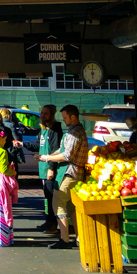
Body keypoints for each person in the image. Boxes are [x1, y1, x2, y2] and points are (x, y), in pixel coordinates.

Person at [39, 104, 88, 250]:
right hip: (73, 173)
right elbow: (61, 150)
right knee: (71, 207)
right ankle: (79, 238)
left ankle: (64, 239)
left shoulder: (75, 132)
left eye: (65, 118)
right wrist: (47, 156)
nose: (64, 120)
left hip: (70, 172)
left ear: (73, 117)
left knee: (58, 203)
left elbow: (67, 155)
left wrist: (47, 158)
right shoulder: (74, 130)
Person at [37, 104, 62, 234]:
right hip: (42, 168)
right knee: (47, 197)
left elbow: (56, 150)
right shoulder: (42, 130)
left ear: (52, 115)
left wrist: (51, 168)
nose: (42, 115)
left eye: (45, 113)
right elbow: (38, 146)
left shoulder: (55, 130)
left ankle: (53, 224)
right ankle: (48, 221)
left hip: (49, 168)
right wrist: (22, 144)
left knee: (52, 197)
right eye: (42, 113)